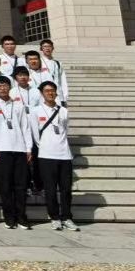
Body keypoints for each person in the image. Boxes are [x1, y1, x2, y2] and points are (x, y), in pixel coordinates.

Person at [0, 76, 34, 229]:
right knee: (5, 185)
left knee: (21, 185)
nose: (3, 88)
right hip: (2, 149)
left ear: (10, 87)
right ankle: (9, 217)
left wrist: (28, 148)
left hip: (19, 149)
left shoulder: (18, 105)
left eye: (5, 85)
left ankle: (21, 216)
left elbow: (25, 127)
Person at [34, 81, 78, 231]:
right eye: (47, 91)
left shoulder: (63, 111)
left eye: (52, 90)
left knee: (66, 189)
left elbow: (65, 130)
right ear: (42, 93)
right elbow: (35, 134)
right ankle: (54, 217)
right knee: (50, 189)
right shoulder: (36, 111)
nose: (50, 93)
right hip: (46, 155)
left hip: (64, 154)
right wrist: (44, 146)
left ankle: (67, 217)